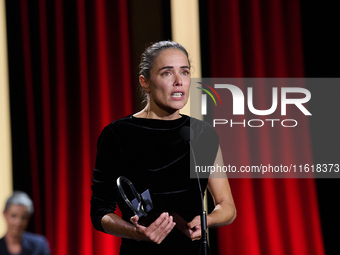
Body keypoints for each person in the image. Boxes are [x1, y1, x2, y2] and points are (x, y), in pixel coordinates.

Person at [90, 40, 236, 254]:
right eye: (167, 73)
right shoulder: (118, 134)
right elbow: (100, 212)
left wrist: (207, 220)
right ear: (145, 82)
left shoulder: (202, 134)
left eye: (185, 72)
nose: (179, 81)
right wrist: (135, 232)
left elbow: (227, 206)